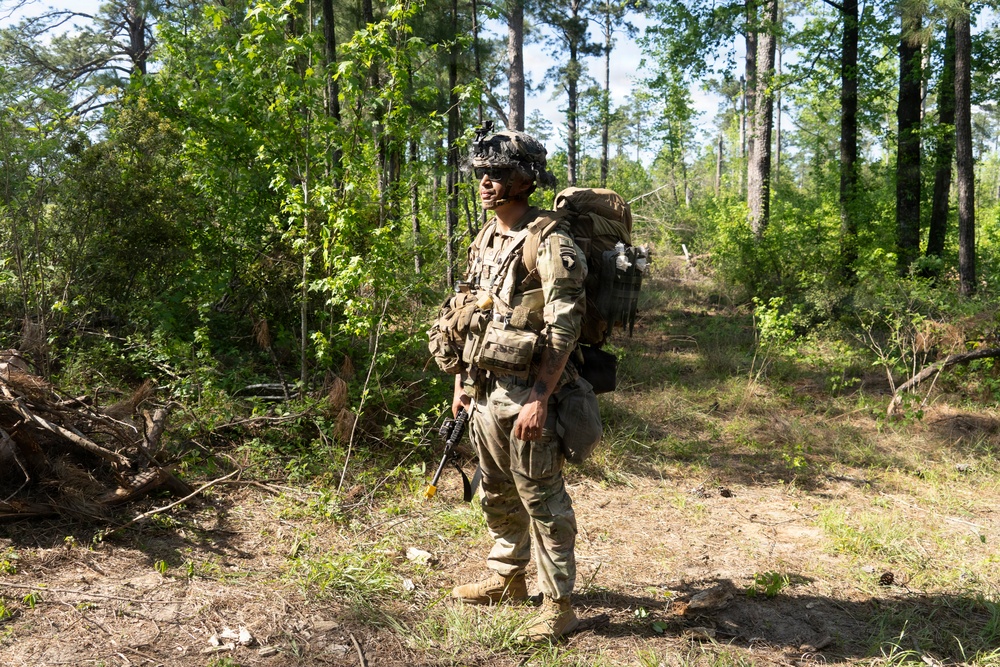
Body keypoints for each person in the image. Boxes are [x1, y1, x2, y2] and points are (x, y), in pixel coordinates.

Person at [437, 126, 596, 641]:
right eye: (481, 173)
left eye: (498, 173)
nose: (485, 182)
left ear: (526, 179)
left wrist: (540, 399)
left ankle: (559, 606)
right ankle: (508, 578)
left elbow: (565, 328)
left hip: (530, 392)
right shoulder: (486, 236)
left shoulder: (550, 240)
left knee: (544, 500)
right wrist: (461, 384)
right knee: (496, 489)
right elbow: (467, 310)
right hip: (484, 388)